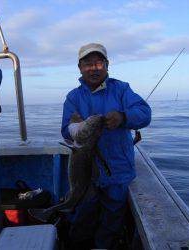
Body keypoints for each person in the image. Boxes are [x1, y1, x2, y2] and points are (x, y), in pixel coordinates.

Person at [61, 43, 152, 249]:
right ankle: (78, 244)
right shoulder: (73, 97)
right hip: (86, 171)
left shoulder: (122, 89)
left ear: (107, 65)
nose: (94, 68)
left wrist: (124, 116)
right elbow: (66, 132)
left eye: (98, 62)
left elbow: (145, 114)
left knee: (112, 218)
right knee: (83, 213)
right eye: (88, 64)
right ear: (80, 67)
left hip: (118, 170)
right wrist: (74, 126)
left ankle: (103, 246)